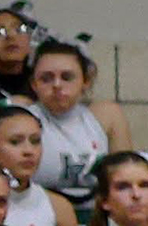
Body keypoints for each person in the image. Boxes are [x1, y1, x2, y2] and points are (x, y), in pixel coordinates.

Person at [24, 37, 112, 208]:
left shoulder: (105, 116)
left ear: (85, 81)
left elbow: (127, 175)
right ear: (34, 84)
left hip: (97, 216)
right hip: (40, 212)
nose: (57, 85)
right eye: (46, 78)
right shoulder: (22, 118)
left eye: (67, 77)